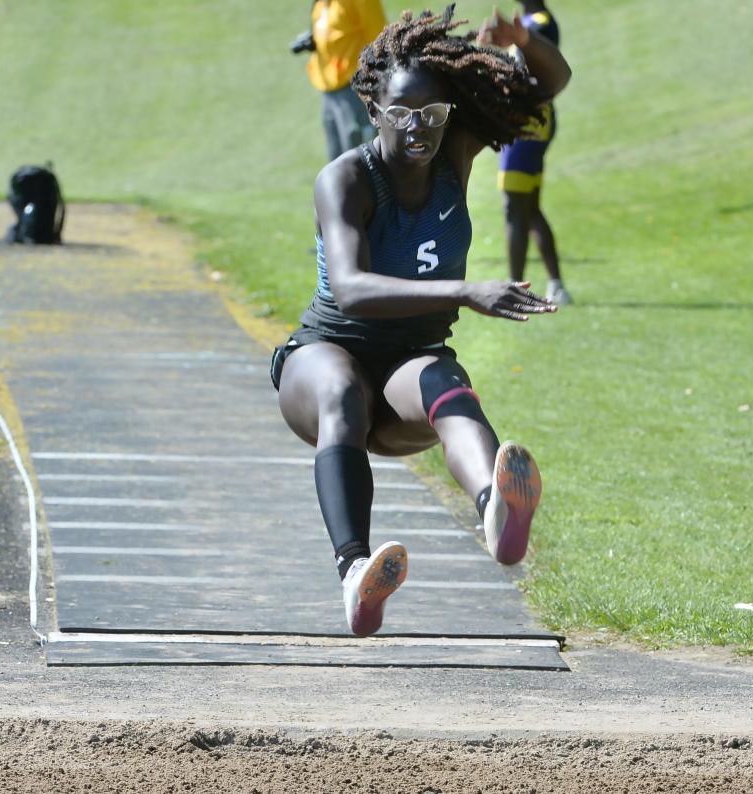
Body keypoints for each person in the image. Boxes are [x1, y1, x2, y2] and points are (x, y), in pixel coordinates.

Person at [271, 4, 571, 636]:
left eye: (432, 115)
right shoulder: (346, 178)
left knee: (444, 381)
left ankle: (495, 509)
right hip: (326, 354)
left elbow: (548, 84)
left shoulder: (453, 155)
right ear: (373, 110)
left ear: (449, 115)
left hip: (407, 365)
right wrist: (464, 290)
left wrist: (525, 41)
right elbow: (350, 290)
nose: (419, 130)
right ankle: (355, 575)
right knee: (341, 388)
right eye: (403, 115)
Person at [497, 1, 572, 305]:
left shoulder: (537, 23)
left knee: (514, 208)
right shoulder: (533, 20)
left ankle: (515, 288)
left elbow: (527, 72)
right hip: (534, 123)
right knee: (529, 208)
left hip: (527, 125)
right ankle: (557, 285)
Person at [297, 0, 387, 161]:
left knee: (360, 157)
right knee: (337, 158)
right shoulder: (321, 4)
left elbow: (379, 39)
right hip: (329, 92)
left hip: (354, 89)